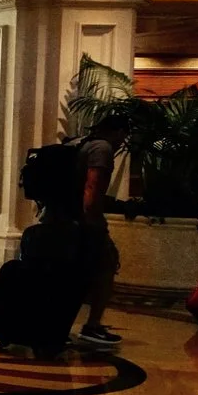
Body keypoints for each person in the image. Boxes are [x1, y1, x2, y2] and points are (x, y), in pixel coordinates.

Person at [73, 113, 130, 348]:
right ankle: (92, 326)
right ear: (118, 132)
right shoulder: (103, 149)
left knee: (70, 272)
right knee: (107, 265)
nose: (122, 143)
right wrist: (96, 223)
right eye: (123, 137)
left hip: (59, 218)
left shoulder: (78, 143)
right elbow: (92, 188)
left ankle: (57, 322)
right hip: (84, 222)